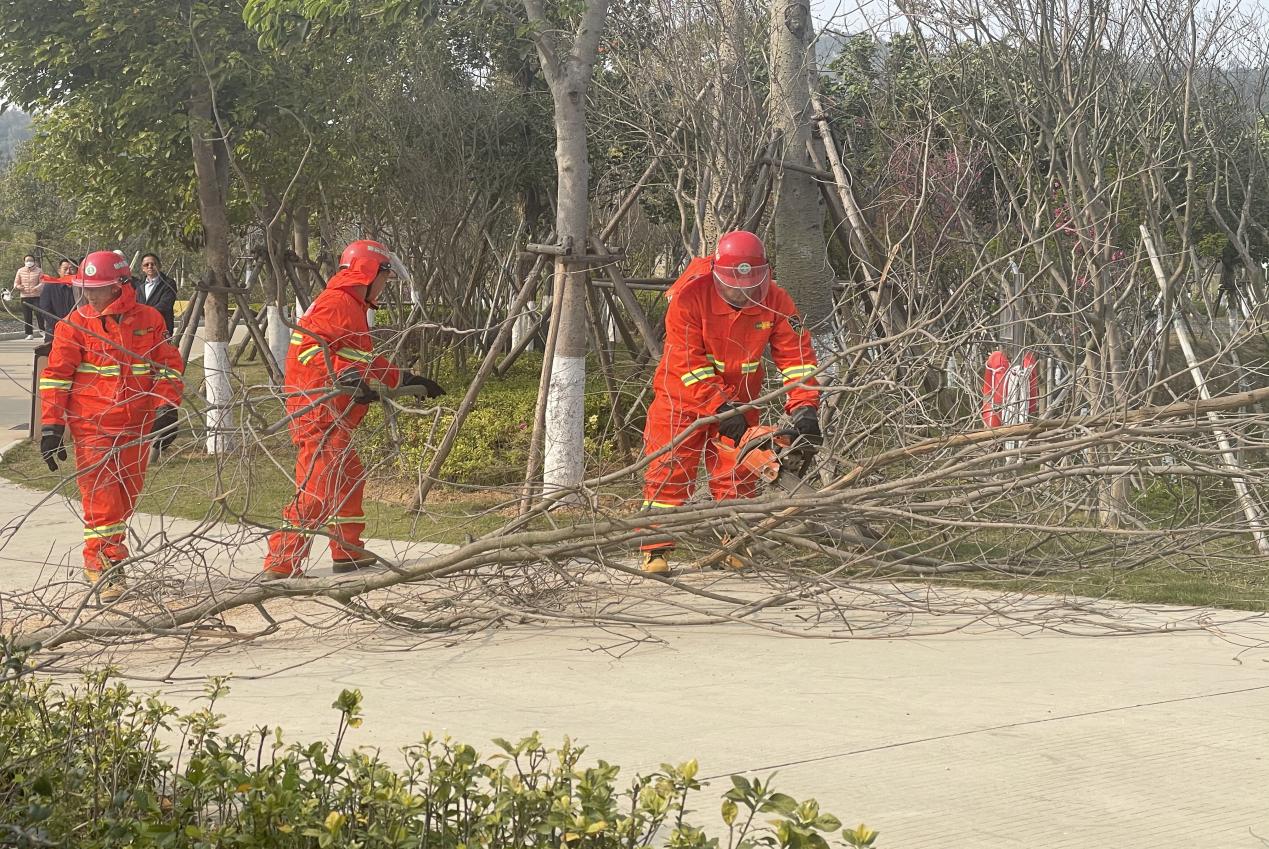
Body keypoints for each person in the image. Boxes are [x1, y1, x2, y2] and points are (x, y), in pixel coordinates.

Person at [638, 230, 822, 574]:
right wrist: (719, 406)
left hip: (739, 403)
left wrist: (805, 407)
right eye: (735, 287)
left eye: (752, 287)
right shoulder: (689, 297)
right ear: (717, 275)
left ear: (765, 275)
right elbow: (688, 362)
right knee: (667, 475)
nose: (744, 293)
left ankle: (736, 544)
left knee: (736, 476)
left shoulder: (777, 301)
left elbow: (796, 357)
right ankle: (655, 551)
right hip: (681, 400)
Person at [262, 239, 445, 579]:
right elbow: (309, 353)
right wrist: (345, 378)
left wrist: (402, 378)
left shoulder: (351, 305)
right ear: (368, 272)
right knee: (317, 490)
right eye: (384, 277)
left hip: (333, 411)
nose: (384, 285)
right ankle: (281, 561)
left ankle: (347, 551)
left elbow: (358, 358)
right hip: (318, 411)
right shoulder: (337, 303)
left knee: (347, 478)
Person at [38, 251, 185, 601]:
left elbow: (167, 366)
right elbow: (56, 378)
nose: (89, 295)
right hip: (93, 428)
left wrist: (167, 407)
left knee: (123, 501)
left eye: (98, 288)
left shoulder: (149, 319)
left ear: (120, 286)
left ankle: (107, 559)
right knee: (102, 501)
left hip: (137, 425)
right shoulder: (73, 325)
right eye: (85, 288)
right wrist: (51, 429)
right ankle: (105, 568)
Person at [132, 253, 178, 337]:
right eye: (146, 265)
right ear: (142, 268)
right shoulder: (138, 285)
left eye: (153, 264)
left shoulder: (168, 283)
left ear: (159, 266)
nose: (150, 266)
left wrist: (144, 314)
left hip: (161, 328)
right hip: (141, 330)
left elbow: (165, 305)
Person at [39, 257, 79, 342]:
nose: (68, 272)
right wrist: (59, 325)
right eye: (65, 269)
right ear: (59, 271)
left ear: (77, 271)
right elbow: (44, 308)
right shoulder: (50, 286)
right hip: (55, 330)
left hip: (78, 331)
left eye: (71, 269)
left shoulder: (82, 288)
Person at [12, 253, 45, 339]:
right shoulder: (20, 271)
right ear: (24, 262)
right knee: (27, 315)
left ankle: (42, 331)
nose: (29, 262)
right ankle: (29, 334)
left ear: (34, 261)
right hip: (24, 296)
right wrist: (19, 287)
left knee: (39, 313)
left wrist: (37, 288)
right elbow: (16, 283)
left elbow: (43, 282)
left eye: (31, 260)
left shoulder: (39, 270)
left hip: (36, 296)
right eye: (27, 260)